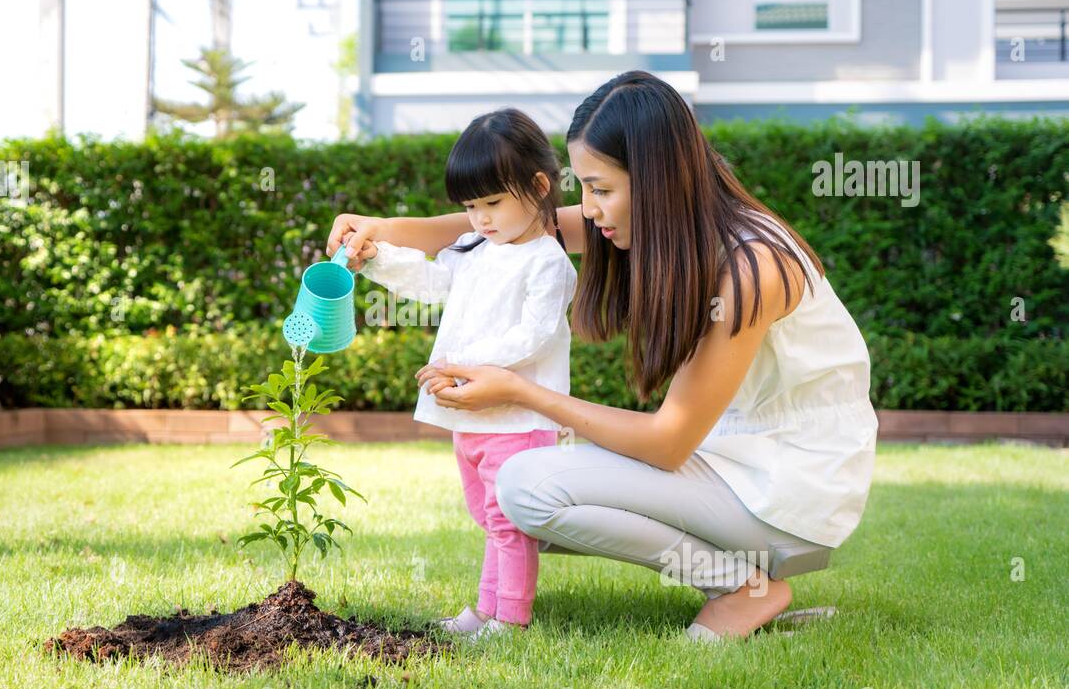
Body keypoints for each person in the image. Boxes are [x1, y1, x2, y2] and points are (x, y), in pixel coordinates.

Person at [328, 71, 877, 641]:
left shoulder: (750, 267)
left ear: (659, 180)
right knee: (513, 490)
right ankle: (741, 579)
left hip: (788, 490)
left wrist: (520, 391)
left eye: (600, 189)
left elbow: (668, 444)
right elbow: (507, 227)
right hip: (735, 465)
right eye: (583, 189)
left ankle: (739, 588)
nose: (585, 209)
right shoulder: (672, 227)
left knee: (524, 485)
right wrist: (380, 231)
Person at [355, 108, 578, 639]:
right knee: (486, 517)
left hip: (518, 419)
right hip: (472, 418)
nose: (481, 218)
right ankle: (484, 610)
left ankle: (512, 617)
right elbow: (431, 282)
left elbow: (534, 335)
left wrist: (463, 365)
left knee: (509, 523)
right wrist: (376, 259)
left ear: (539, 186)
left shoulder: (547, 262)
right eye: (471, 206)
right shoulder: (477, 250)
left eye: (493, 203)